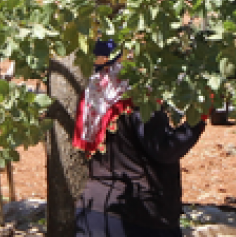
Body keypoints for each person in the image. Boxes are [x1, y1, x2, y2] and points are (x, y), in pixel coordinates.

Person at [73, 40, 206, 237]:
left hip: (94, 210)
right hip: (137, 216)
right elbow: (164, 148)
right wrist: (198, 119)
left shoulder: (96, 99)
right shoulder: (138, 102)